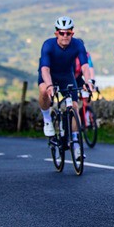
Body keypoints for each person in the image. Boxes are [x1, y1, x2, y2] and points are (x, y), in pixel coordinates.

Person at [38, 16, 89, 161]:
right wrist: (49, 86)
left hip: (67, 75)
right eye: (62, 33)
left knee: (74, 107)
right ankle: (47, 119)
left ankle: (76, 145)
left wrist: (89, 80)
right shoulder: (48, 45)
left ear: (72, 33)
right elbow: (45, 69)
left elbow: (85, 65)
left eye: (68, 33)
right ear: (56, 34)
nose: (65, 36)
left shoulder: (77, 44)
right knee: (43, 91)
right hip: (49, 75)